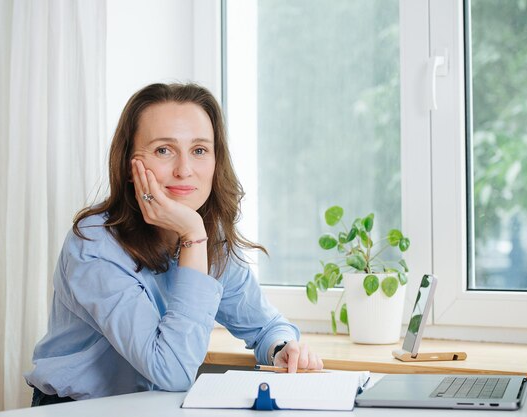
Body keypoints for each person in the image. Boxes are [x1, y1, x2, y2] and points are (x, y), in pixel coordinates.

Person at [24, 83, 323, 406]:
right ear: (128, 164)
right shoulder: (94, 242)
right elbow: (171, 371)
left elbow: (267, 326)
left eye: (199, 150)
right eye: (164, 150)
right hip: (75, 409)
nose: (184, 170)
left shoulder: (211, 240)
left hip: (153, 408)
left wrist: (282, 348)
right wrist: (193, 235)